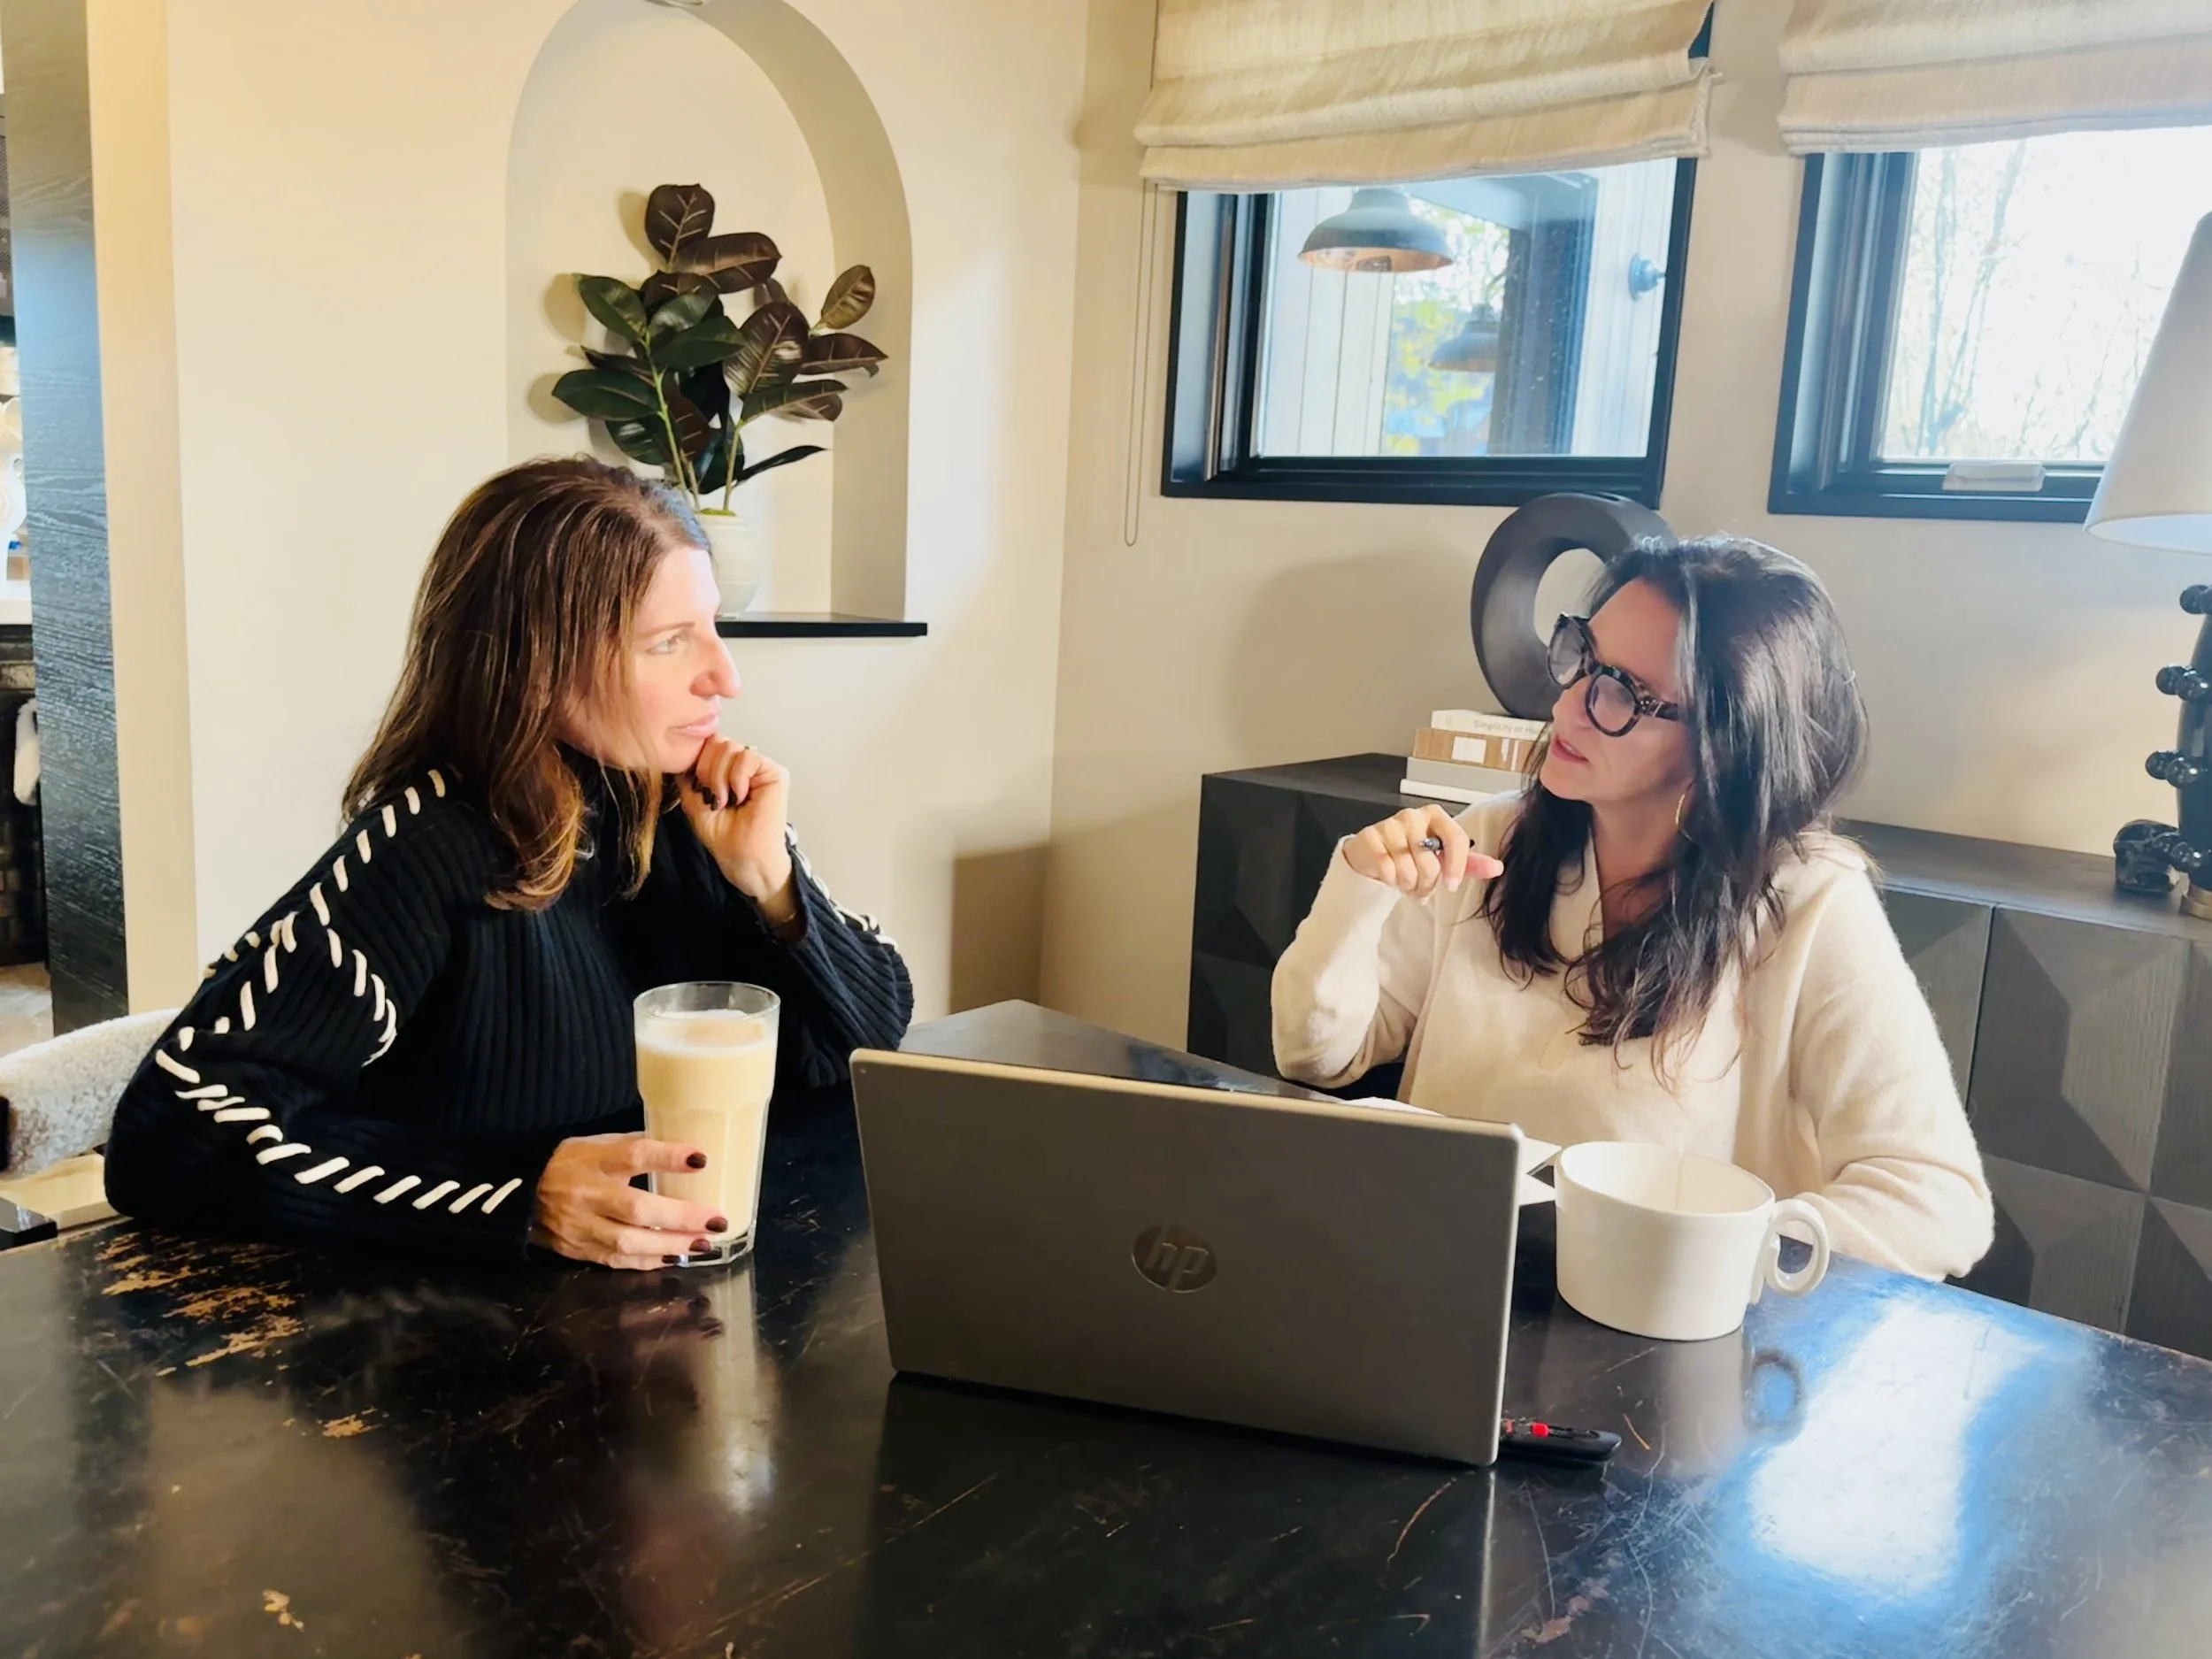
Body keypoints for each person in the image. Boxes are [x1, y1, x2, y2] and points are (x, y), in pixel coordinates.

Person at [105, 457, 912, 1269]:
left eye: (712, 627)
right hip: (471, 1357)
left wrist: (772, 885)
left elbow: (869, 1040)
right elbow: (173, 1127)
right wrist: (514, 1194)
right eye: (669, 643)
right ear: (541, 662)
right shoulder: (427, 851)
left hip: (700, 1307)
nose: (725, 677)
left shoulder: (699, 805)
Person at [1271, 536, 1993, 1279]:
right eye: (1581, 656)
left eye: (1622, 693)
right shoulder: (1488, 837)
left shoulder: (1806, 903)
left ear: (1722, 745)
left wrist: (1706, 1257)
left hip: (1652, 1353)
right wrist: (1362, 881)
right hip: (1435, 1284)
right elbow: (1316, 1054)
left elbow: (1935, 1202)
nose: (1569, 704)